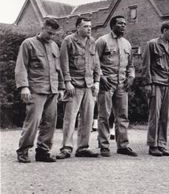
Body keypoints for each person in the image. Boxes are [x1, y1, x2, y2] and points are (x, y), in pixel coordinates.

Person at [15, 18, 64, 163]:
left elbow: (58, 68)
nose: (51, 36)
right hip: (36, 89)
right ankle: (23, 150)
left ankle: (43, 151)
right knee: (33, 121)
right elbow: (21, 66)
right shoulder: (28, 44)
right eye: (49, 33)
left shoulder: (54, 46)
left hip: (52, 89)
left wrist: (60, 87)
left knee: (50, 122)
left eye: (54, 34)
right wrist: (24, 86)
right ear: (42, 28)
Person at [56, 17, 100, 159]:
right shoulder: (68, 41)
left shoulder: (92, 41)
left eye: (90, 27)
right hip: (74, 85)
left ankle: (83, 147)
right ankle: (66, 148)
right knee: (70, 118)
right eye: (86, 26)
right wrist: (67, 82)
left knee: (87, 118)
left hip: (89, 85)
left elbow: (96, 63)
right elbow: (63, 64)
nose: (89, 29)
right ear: (78, 28)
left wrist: (97, 81)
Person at [96, 15, 137, 157]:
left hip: (122, 84)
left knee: (123, 116)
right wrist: (101, 77)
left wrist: (131, 77)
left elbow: (131, 64)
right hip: (107, 83)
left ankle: (123, 146)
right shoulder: (102, 41)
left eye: (125, 24)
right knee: (104, 116)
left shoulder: (127, 44)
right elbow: (95, 63)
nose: (123, 26)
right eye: (120, 23)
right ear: (112, 25)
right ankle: (104, 146)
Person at [142, 21, 169, 157]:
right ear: (164, 31)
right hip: (156, 83)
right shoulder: (152, 44)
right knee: (155, 116)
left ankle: (162, 144)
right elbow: (146, 65)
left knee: (165, 116)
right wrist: (147, 84)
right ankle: (153, 145)